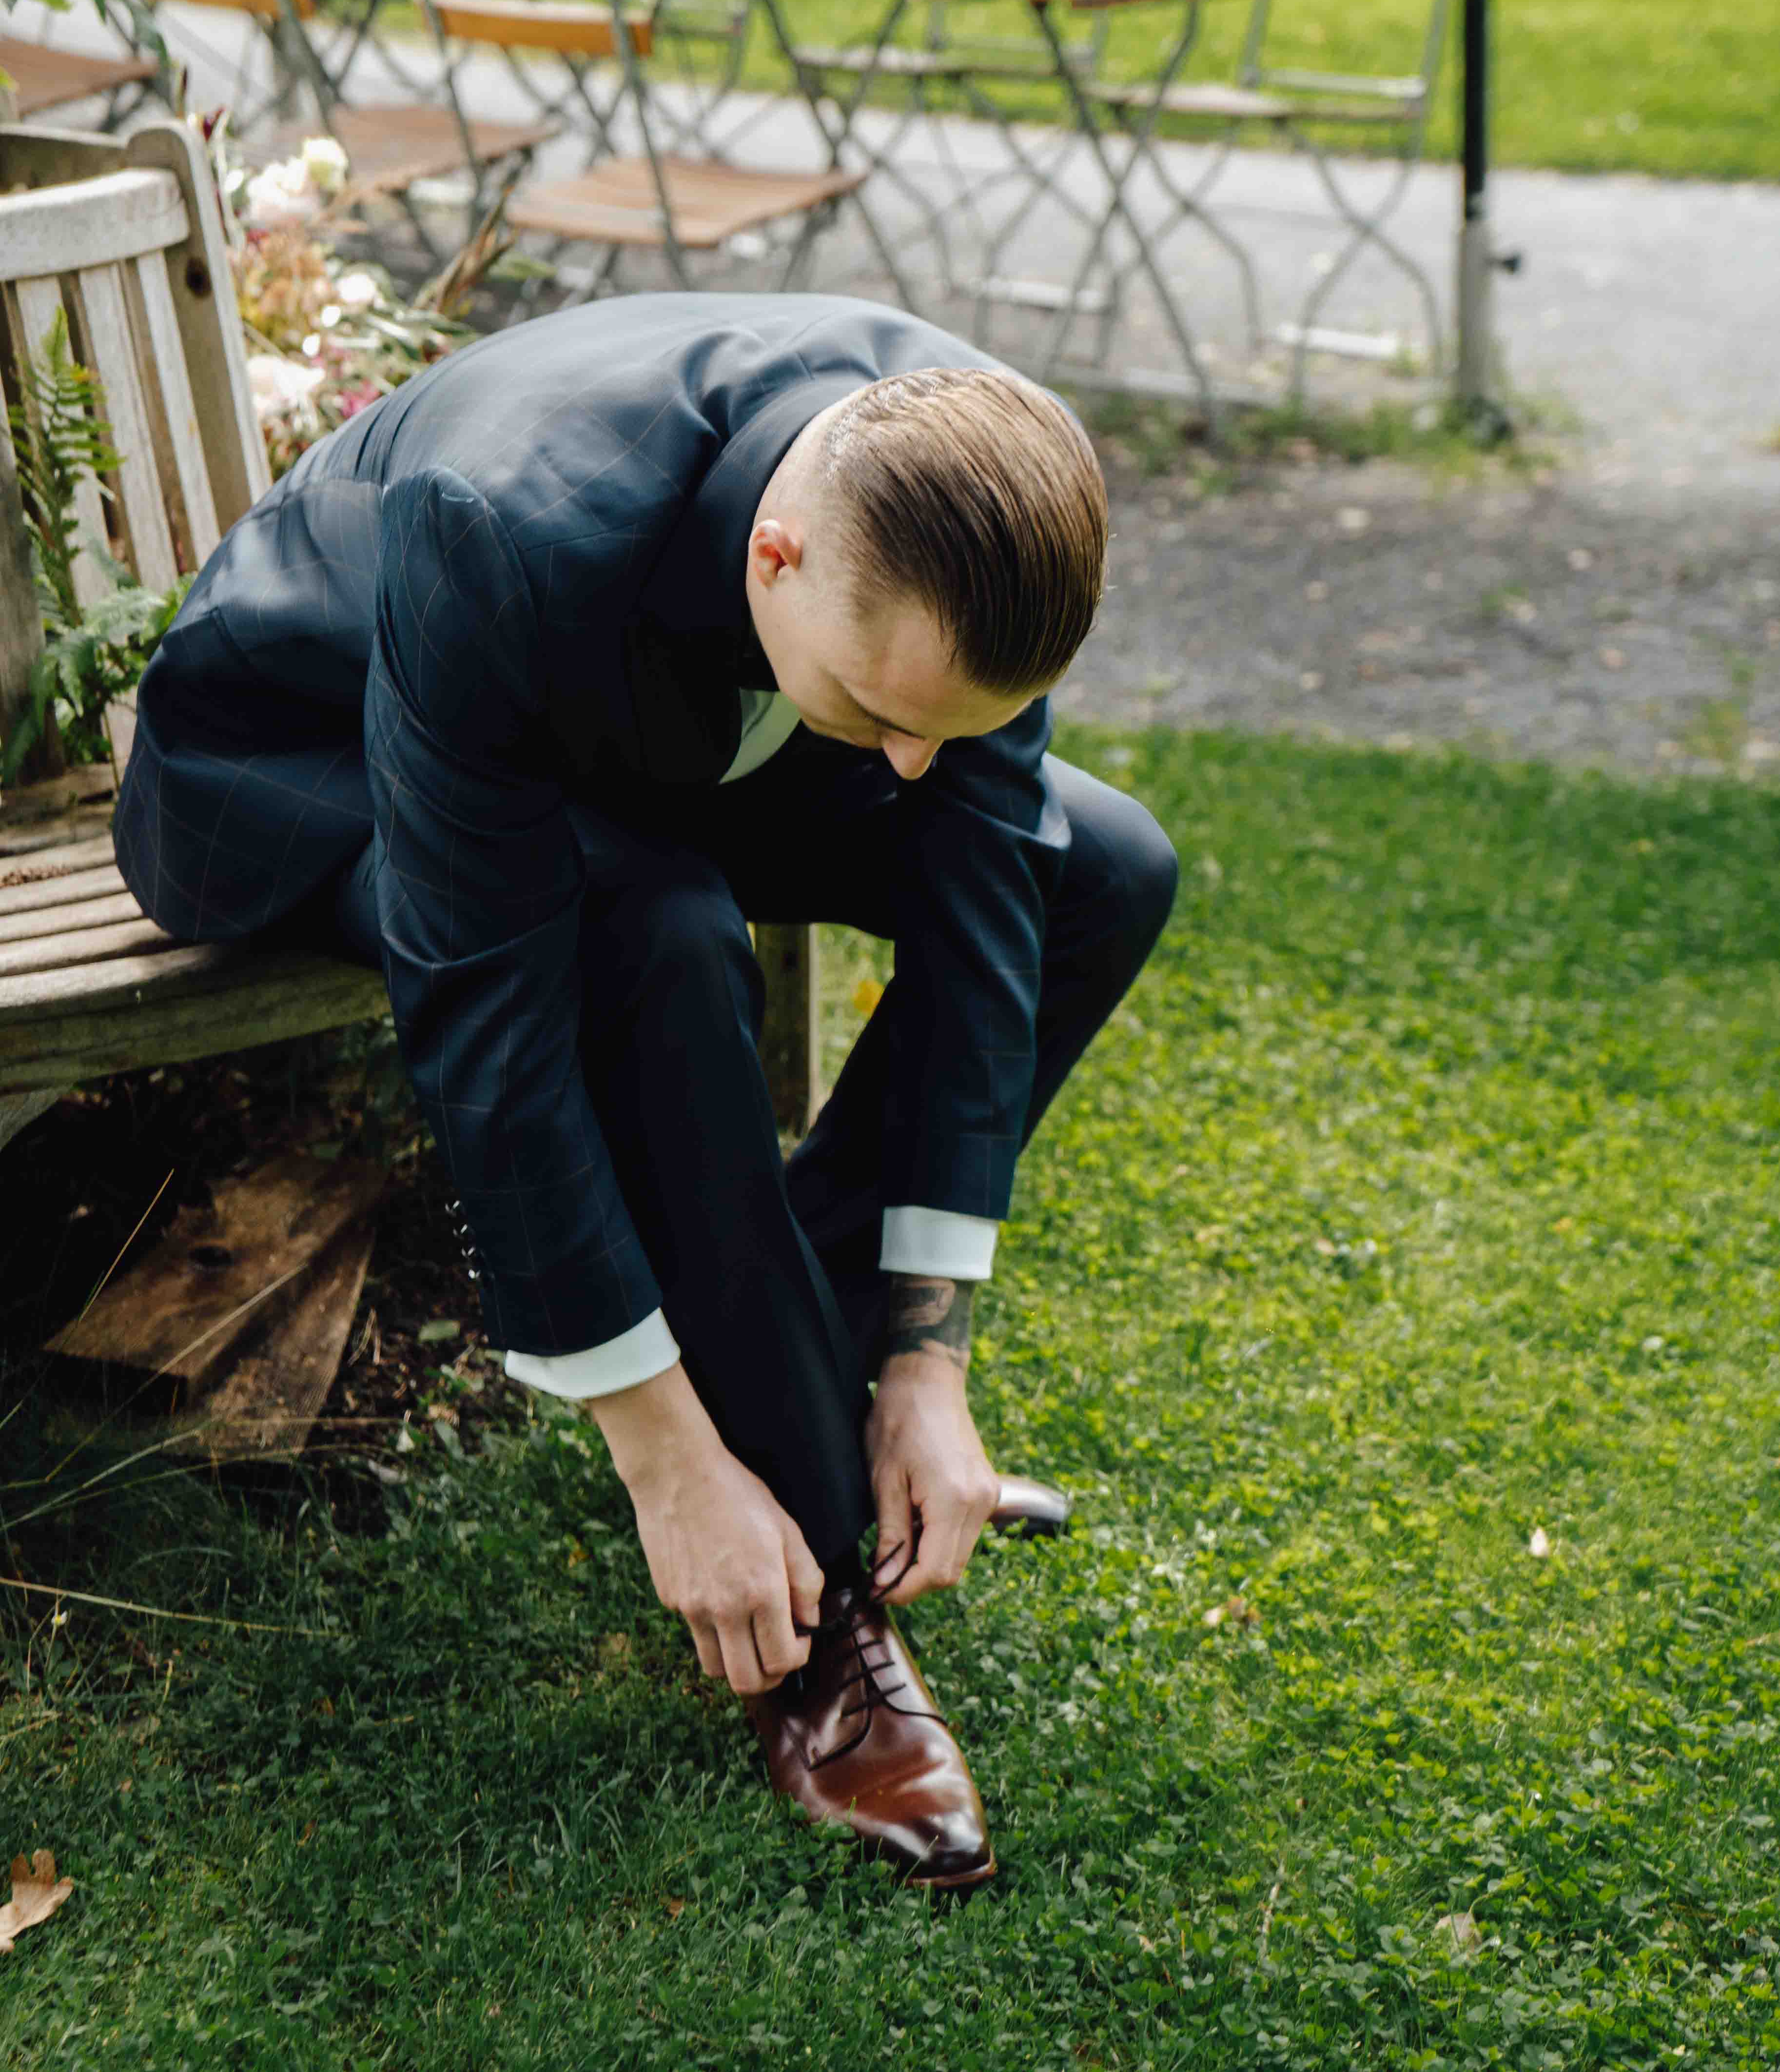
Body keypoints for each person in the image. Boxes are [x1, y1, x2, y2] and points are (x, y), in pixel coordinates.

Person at [115, 293, 1177, 1890]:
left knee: (1102, 867)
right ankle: (822, 1622)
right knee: (656, 927)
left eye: (946, 726)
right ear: (780, 557)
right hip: (298, 755)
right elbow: (488, 1030)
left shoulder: (975, 488)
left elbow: (980, 882)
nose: (910, 765)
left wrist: (922, 1352)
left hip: (654, 733)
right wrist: (662, 1459)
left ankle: (796, 1362)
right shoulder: (506, 524)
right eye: (888, 719)